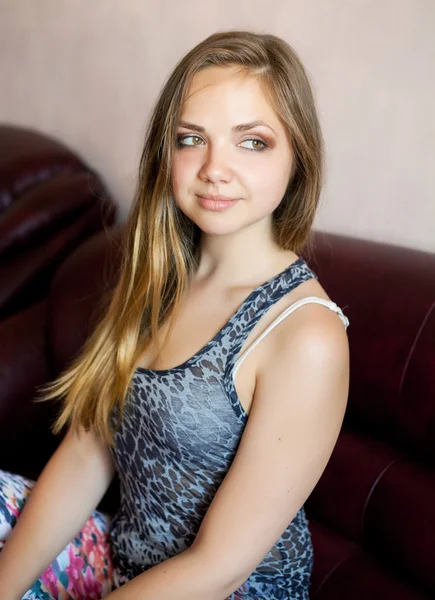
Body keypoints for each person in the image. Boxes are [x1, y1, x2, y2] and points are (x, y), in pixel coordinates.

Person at [0, 29, 350, 599]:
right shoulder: (161, 274)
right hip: (126, 565)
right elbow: (92, 446)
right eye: (192, 139)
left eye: (252, 142)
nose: (214, 167)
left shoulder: (307, 332)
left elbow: (220, 567)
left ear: (298, 157)